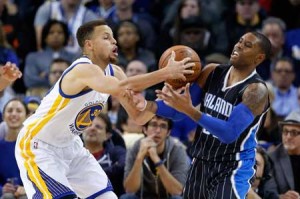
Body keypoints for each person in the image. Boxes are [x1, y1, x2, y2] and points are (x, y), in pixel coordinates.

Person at [14, 19, 194, 199]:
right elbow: (121, 87)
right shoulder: (82, 69)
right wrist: (166, 73)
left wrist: (163, 101)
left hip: (71, 146)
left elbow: (138, 117)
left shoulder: (115, 72)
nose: (114, 41)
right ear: (89, 45)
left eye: (113, 38)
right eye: (107, 37)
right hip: (39, 144)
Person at [130, 31, 272, 199]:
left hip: (232, 166)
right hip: (201, 160)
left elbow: (229, 133)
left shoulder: (256, 91)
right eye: (240, 41)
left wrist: (189, 109)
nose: (239, 45)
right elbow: (177, 112)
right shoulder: (212, 71)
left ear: (259, 58)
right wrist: (147, 104)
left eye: (247, 45)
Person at [121, 115, 189, 199]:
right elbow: (129, 189)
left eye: (163, 126)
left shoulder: (178, 150)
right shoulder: (135, 148)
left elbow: (177, 191)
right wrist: (139, 158)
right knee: (126, 197)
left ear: (168, 132)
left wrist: (156, 160)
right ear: (145, 129)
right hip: (143, 197)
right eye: (153, 125)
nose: (158, 130)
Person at [82, 113, 126, 197]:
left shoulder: (116, 152)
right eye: (89, 125)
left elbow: (123, 164)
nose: (92, 128)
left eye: (98, 127)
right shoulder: (72, 154)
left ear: (107, 135)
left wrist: (91, 175)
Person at [264, 110, 300, 198]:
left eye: (294, 133)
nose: (288, 137)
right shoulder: (271, 157)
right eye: (285, 132)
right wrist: (281, 197)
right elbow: (269, 192)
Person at [0, 98, 29, 199]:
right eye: (10, 110)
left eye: (19, 111)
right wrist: (1, 189)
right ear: (3, 116)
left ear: (27, 116)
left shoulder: (35, 147)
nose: (13, 114)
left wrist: (28, 188)